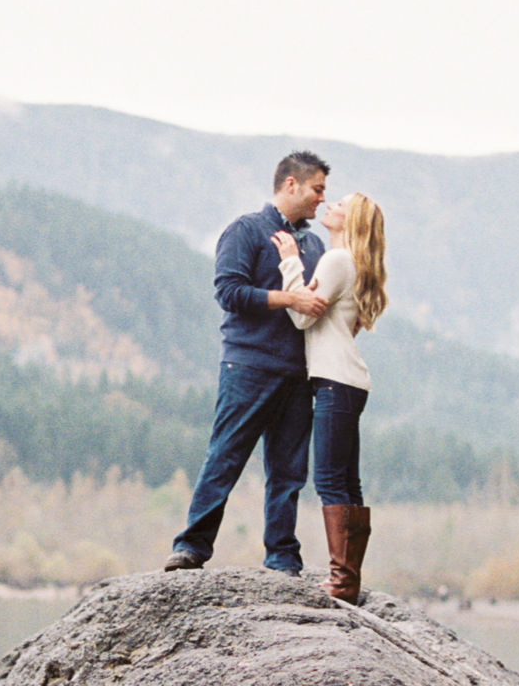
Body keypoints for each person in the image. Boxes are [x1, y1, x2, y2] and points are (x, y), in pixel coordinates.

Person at [164, 152, 334, 575]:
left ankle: (282, 557)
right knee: (226, 456)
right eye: (317, 189)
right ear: (291, 184)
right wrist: (289, 298)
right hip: (249, 366)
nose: (322, 200)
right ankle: (191, 548)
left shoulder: (313, 245)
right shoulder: (245, 230)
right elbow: (229, 292)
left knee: (289, 472)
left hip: (298, 373)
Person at [275, 190, 389, 602]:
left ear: (351, 221)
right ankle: (348, 579)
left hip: (333, 382)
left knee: (328, 480)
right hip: (349, 382)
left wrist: (289, 260)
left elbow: (303, 314)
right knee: (347, 481)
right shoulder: (352, 264)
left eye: (341, 204)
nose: (331, 206)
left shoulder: (338, 260)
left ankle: (341, 582)